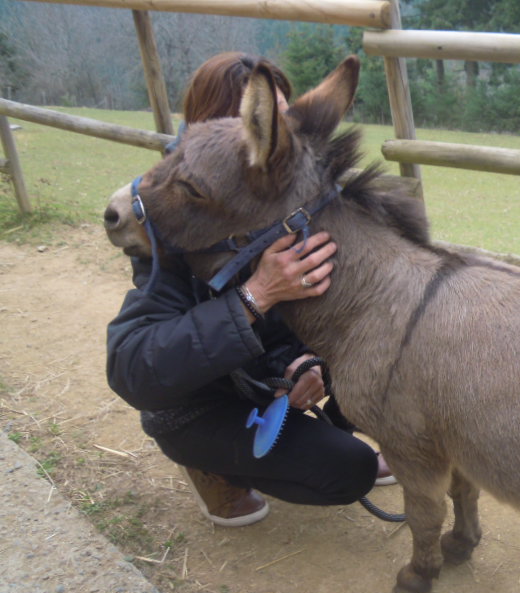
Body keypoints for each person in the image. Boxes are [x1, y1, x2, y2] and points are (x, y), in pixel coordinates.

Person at [106, 52, 394, 528]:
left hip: (264, 384)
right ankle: (214, 466)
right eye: (253, 122)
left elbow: (317, 314)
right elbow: (132, 368)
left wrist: (305, 362)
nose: (272, 136)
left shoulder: (295, 199)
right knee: (349, 470)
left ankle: (291, 437)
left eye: (278, 118)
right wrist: (255, 296)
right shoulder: (172, 219)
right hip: (198, 400)